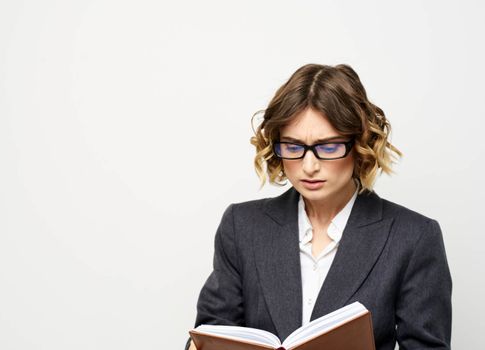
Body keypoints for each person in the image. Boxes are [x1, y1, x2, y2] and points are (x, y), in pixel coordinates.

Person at [186, 64, 452, 350]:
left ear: (360, 144)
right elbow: (211, 331)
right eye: (292, 146)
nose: (308, 166)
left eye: (328, 147)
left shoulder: (413, 237)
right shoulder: (242, 226)